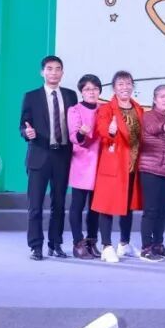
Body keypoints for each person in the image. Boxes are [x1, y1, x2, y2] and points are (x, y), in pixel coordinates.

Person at [19, 55, 77, 261]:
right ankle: (36, 246)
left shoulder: (71, 95)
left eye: (58, 68)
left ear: (62, 72)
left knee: (59, 204)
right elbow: (23, 125)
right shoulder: (31, 96)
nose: (54, 72)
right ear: (42, 72)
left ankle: (56, 244)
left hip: (62, 155)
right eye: (49, 69)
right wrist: (27, 133)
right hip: (39, 155)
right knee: (35, 206)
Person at [91, 70, 144, 263]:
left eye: (128, 83)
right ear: (114, 88)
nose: (125, 87)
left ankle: (124, 243)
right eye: (120, 84)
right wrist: (111, 131)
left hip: (132, 165)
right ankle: (106, 246)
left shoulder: (138, 109)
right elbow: (101, 129)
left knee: (128, 207)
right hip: (113, 165)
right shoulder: (106, 109)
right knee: (106, 206)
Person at [138, 84, 165, 262]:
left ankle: (158, 245)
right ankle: (146, 248)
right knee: (151, 210)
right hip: (151, 169)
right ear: (155, 99)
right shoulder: (148, 115)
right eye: (162, 96)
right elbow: (152, 128)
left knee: (164, 211)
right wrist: (164, 127)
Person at [66, 74, 102, 259]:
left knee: (95, 207)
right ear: (81, 92)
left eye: (95, 89)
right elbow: (74, 137)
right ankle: (78, 242)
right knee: (77, 206)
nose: (91, 92)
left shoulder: (104, 109)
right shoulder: (74, 110)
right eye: (87, 89)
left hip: (101, 163)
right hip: (81, 163)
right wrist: (81, 132)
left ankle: (92, 241)